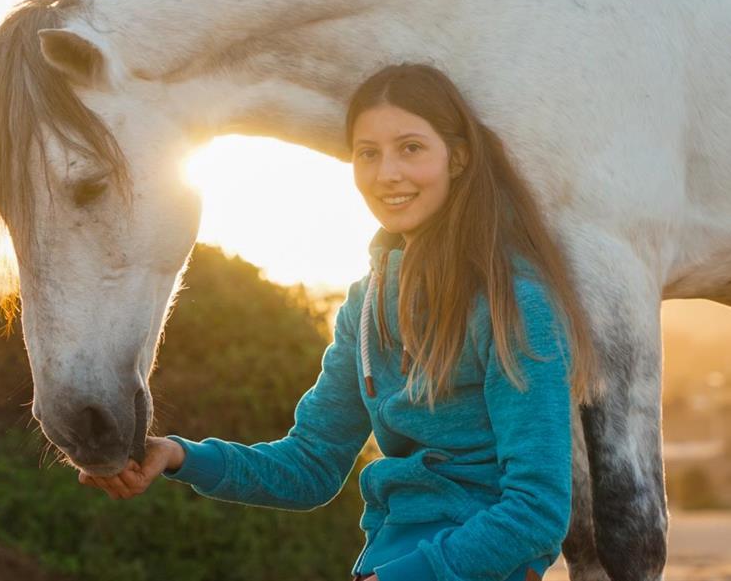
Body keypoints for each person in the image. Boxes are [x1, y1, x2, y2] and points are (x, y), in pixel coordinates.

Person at [79, 62, 600, 581]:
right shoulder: (366, 305)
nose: (387, 173)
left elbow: (537, 510)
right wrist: (177, 456)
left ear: (458, 157)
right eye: (367, 153)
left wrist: (406, 578)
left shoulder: (513, 303)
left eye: (411, 148)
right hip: (384, 561)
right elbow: (310, 466)